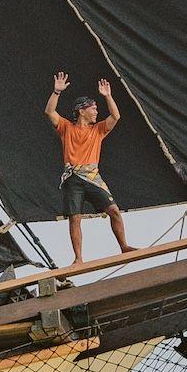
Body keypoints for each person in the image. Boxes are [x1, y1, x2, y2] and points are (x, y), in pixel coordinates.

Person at [46, 71, 135, 262]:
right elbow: (50, 112)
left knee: (114, 211)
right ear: (81, 110)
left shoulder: (98, 130)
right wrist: (56, 92)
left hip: (93, 176)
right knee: (75, 217)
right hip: (73, 178)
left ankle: (124, 246)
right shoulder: (66, 127)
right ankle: (78, 258)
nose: (96, 111)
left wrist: (108, 96)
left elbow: (115, 116)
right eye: (93, 108)